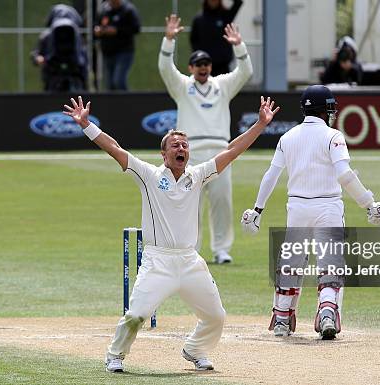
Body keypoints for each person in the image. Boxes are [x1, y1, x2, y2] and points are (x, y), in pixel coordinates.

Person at [63, 95, 279, 372]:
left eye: (185, 145)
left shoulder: (198, 175)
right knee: (137, 315)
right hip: (158, 261)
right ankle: (115, 355)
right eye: (175, 145)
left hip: (190, 261)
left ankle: (195, 349)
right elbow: (115, 148)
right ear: (164, 155)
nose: (181, 148)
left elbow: (232, 150)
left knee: (216, 316)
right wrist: (86, 125)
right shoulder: (149, 175)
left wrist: (260, 124)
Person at [240, 85, 380, 340]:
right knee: (330, 264)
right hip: (328, 207)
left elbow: (271, 175)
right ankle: (327, 314)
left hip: (297, 208)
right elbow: (345, 175)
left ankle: (282, 319)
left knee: (291, 264)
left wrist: (257, 209)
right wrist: (369, 203)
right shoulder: (333, 136)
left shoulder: (288, 137)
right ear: (325, 109)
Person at [159, 14, 253, 264]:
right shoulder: (182, 86)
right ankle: (192, 249)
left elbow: (245, 71)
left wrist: (239, 45)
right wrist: (169, 40)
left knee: (222, 202)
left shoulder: (222, 85)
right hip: (190, 153)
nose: (203, 67)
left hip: (220, 151)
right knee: (191, 203)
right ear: (191, 68)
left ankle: (222, 250)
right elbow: (165, 69)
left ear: (210, 66)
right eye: (198, 64)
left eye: (206, 64)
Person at [31, 4, 87, 92]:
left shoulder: (77, 37)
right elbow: (36, 53)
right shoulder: (46, 37)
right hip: (53, 76)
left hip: (73, 77)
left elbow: (82, 59)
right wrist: (38, 58)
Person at [94, 0, 141, 90]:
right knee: (109, 84)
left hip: (124, 52)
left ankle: (127, 102)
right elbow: (97, 24)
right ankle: (111, 104)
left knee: (118, 81)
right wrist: (98, 30)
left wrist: (117, 31)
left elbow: (136, 28)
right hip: (107, 52)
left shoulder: (128, 9)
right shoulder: (104, 9)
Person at [190, 0, 243, 76]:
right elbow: (193, 41)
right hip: (204, 68)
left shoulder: (225, 16)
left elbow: (238, 3)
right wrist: (200, 58)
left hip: (223, 67)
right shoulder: (198, 19)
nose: (213, 2)